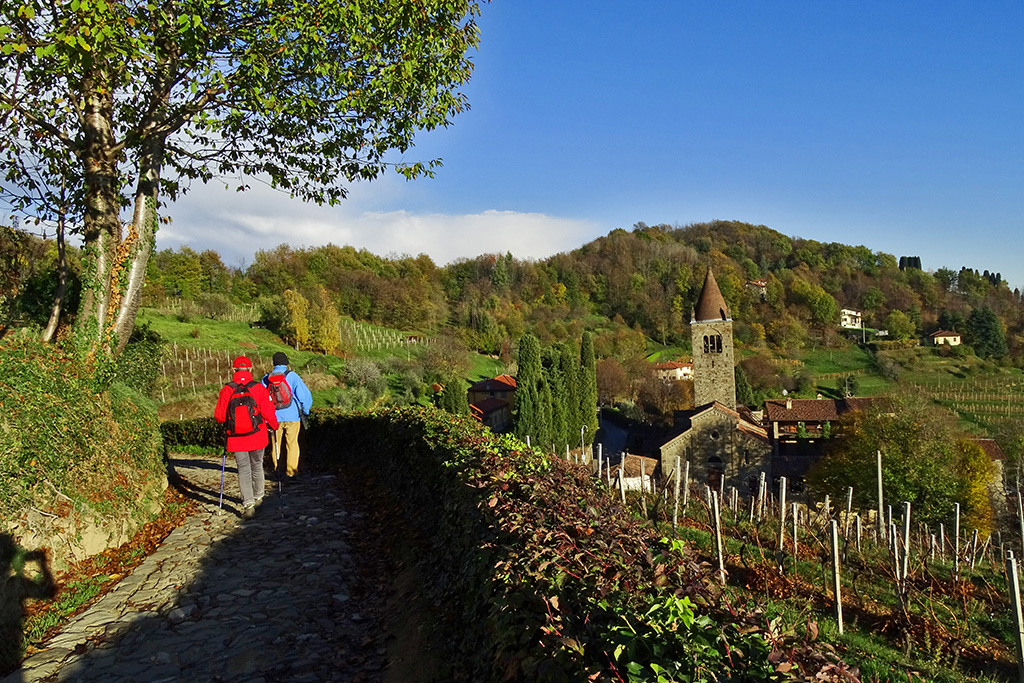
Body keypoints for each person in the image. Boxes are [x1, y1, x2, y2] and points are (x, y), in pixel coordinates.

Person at [214, 356, 279, 518]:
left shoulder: (227, 389)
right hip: (258, 436)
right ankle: (259, 497)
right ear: (250, 369)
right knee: (257, 465)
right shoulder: (258, 388)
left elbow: (219, 417)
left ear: (233, 370)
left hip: (236, 438)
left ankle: (248, 505)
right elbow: (268, 412)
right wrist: (275, 426)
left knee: (243, 469)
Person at [263, 351, 312, 479]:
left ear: (274, 363)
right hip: (292, 416)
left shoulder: (266, 378)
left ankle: (277, 470)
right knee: (292, 443)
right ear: (286, 363)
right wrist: (305, 412)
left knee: (276, 444)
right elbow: (305, 397)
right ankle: (291, 472)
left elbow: (262, 398)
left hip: (274, 417)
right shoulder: (292, 376)